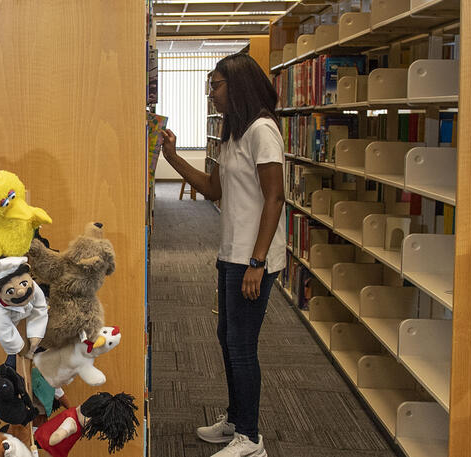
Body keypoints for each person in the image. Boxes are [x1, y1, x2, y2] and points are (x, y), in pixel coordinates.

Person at [160, 53, 288, 457]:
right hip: (231, 253)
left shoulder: (263, 131)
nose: (210, 94)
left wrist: (257, 261)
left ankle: (250, 438)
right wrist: (173, 157)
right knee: (227, 338)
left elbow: (276, 197)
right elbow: (214, 190)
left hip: (254, 258)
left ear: (237, 85)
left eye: (215, 85)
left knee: (242, 344)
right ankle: (236, 420)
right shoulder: (234, 133)